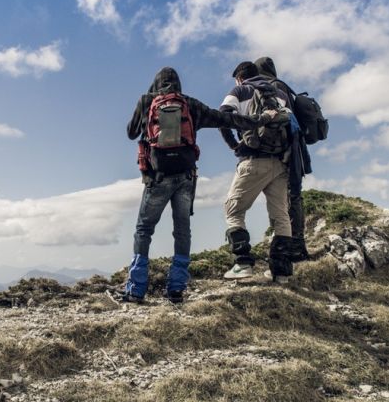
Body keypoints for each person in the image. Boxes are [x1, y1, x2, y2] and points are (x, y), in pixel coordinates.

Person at [123, 67, 266, 303]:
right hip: (186, 178)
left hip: (157, 178)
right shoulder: (190, 104)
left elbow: (131, 133)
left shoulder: (147, 101)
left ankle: (136, 289)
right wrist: (259, 121)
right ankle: (176, 289)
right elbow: (225, 118)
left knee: (144, 229)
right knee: (182, 231)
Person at [219, 61, 295, 283]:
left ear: (240, 78)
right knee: (280, 215)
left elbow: (223, 116)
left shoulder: (239, 90)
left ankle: (243, 264)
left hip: (253, 160)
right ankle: (281, 272)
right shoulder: (280, 93)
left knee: (233, 210)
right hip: (281, 162)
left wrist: (234, 145)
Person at [254, 57, 312, 262]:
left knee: (286, 198)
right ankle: (296, 245)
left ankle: (290, 246)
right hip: (295, 149)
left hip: (284, 152)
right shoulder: (283, 86)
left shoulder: (270, 88)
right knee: (293, 196)